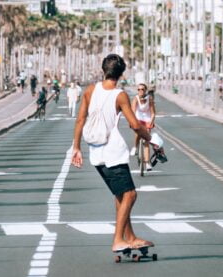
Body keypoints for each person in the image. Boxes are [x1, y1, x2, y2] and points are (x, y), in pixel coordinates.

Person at [71, 54, 162, 252]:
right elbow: (134, 124)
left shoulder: (90, 90)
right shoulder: (120, 95)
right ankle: (118, 240)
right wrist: (151, 139)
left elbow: (80, 120)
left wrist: (76, 148)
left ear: (103, 70)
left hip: (96, 153)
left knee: (121, 195)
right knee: (130, 195)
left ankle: (130, 237)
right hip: (112, 152)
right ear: (121, 74)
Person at [130, 83, 156, 171]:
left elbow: (153, 113)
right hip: (138, 118)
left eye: (142, 89)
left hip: (147, 119)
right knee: (137, 132)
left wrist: (151, 123)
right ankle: (135, 146)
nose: (140, 91)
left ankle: (147, 163)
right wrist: (132, 122)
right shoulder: (135, 99)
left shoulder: (150, 99)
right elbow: (133, 112)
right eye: (139, 89)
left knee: (147, 141)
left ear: (145, 90)